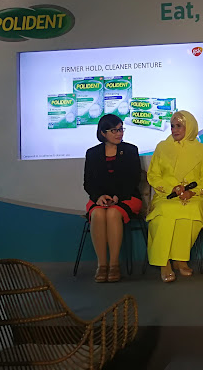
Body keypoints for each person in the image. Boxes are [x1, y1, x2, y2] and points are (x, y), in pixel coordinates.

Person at [146, 110, 203, 283]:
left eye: (179, 126)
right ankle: (164, 262)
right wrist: (171, 188)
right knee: (164, 212)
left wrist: (192, 192)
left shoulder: (202, 150)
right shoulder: (162, 147)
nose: (174, 130)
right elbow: (153, 175)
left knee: (191, 210)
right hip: (166, 195)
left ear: (189, 127)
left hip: (195, 195)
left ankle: (180, 259)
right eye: (172, 126)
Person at [84, 114, 142, 283]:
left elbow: (134, 179)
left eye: (121, 129)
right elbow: (88, 182)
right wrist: (98, 197)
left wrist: (118, 197)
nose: (119, 133)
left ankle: (114, 265)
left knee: (113, 213)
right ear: (103, 133)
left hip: (127, 197)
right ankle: (102, 265)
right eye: (114, 130)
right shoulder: (92, 153)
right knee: (98, 214)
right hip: (99, 199)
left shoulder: (131, 150)